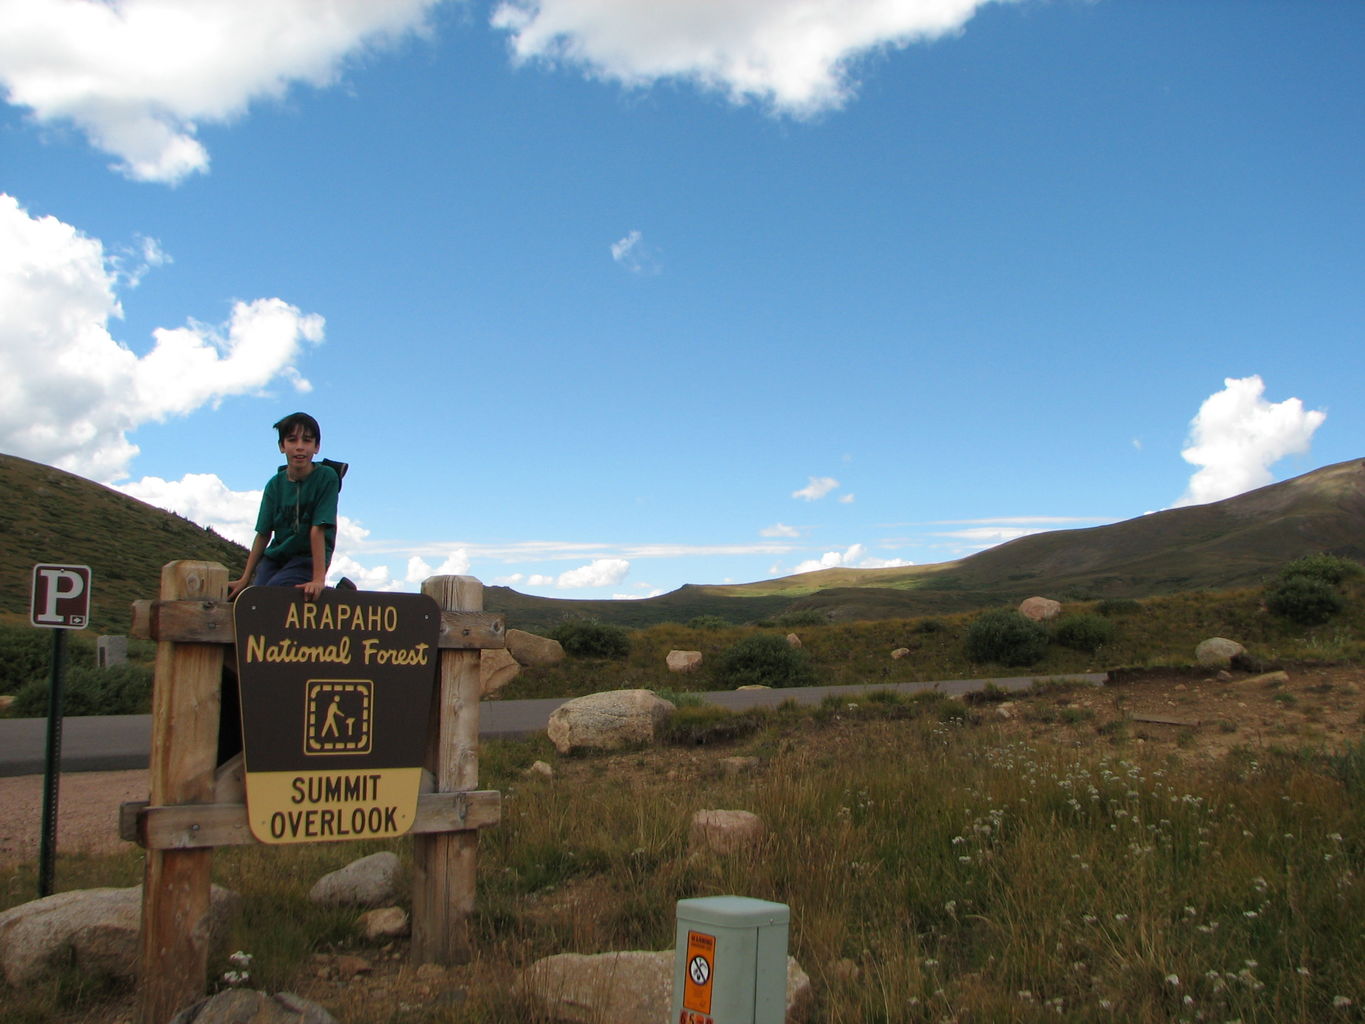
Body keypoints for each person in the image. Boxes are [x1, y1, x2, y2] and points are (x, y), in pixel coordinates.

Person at [227, 412, 341, 602]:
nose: (299, 447)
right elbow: (263, 533)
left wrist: (318, 579)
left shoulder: (327, 477)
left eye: (307, 441)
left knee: (275, 594)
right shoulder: (275, 484)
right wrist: (245, 579)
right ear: (282, 446)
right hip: (276, 558)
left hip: (308, 558)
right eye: (292, 440)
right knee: (252, 598)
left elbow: (318, 528)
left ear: (316, 447)